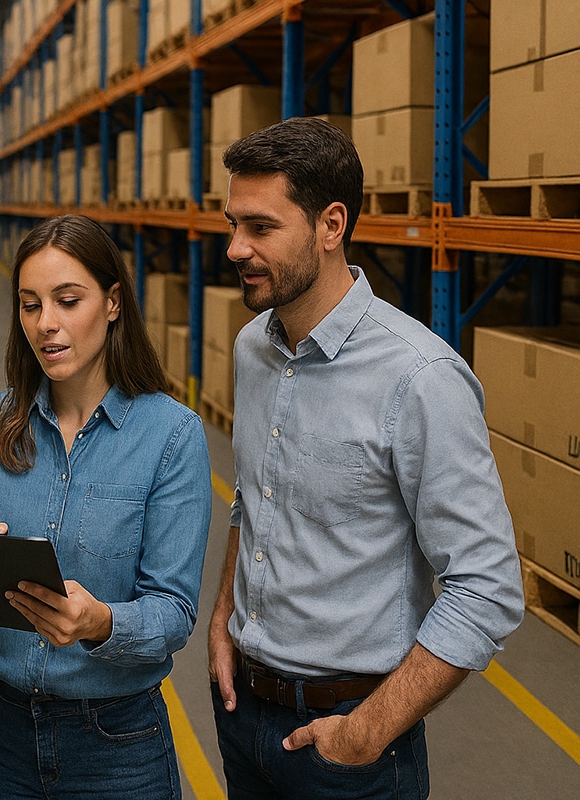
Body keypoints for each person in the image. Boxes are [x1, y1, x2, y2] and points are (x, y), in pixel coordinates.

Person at [206, 116, 524, 799]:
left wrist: (365, 732)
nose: (235, 247)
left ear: (330, 226)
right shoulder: (252, 348)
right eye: (233, 223)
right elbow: (252, 497)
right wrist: (222, 617)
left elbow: (487, 588)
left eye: (260, 227)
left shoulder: (419, 378)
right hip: (242, 713)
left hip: (349, 747)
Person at [0, 214, 212, 800]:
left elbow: (173, 611)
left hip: (116, 743)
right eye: (29, 304)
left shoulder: (170, 437)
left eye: (68, 301)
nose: (47, 325)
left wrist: (101, 624)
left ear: (113, 302)